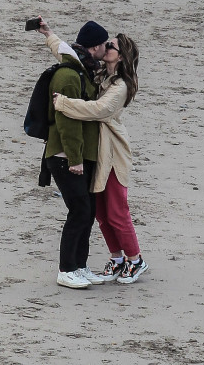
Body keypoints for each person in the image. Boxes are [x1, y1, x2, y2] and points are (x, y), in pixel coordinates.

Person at [49, 33, 147, 284]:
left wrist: (63, 103)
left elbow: (98, 110)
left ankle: (135, 260)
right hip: (98, 154)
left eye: (110, 45)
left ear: (121, 55)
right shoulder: (101, 74)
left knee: (116, 211)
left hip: (113, 154)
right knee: (101, 212)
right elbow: (68, 54)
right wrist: (48, 34)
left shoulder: (121, 85)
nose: (105, 48)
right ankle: (117, 259)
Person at [35, 19, 109, 289]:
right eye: (105, 45)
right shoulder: (69, 76)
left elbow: (62, 48)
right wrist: (75, 159)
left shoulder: (81, 66)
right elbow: (67, 122)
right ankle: (66, 269)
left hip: (79, 155)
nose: (107, 49)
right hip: (66, 156)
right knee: (79, 211)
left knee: (87, 211)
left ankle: (80, 265)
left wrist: (48, 33)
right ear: (96, 47)